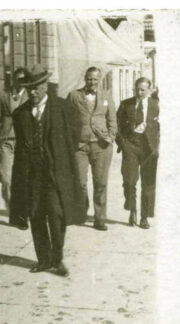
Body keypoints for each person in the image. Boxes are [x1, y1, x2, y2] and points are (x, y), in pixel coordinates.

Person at [9, 65, 85, 277]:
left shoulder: (62, 108)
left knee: (57, 214)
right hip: (31, 173)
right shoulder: (21, 113)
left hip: (55, 171)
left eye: (37, 87)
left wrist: (62, 155)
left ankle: (57, 259)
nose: (33, 92)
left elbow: (75, 133)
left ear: (45, 86)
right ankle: (43, 260)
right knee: (35, 215)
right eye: (29, 88)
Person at [67, 66, 117, 231]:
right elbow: (66, 118)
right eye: (90, 79)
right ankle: (82, 212)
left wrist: (111, 136)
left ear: (99, 80)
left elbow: (112, 119)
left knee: (100, 182)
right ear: (85, 79)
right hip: (79, 145)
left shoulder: (106, 95)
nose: (92, 82)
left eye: (95, 79)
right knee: (80, 182)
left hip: (101, 145)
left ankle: (100, 218)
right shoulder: (74, 95)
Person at [116, 77, 160, 228]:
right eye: (137, 89)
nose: (139, 92)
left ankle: (144, 217)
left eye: (143, 90)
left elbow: (165, 126)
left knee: (148, 184)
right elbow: (117, 125)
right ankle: (132, 210)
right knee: (129, 181)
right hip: (131, 145)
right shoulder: (126, 104)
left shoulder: (157, 105)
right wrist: (122, 142)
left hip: (149, 148)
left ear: (149, 90)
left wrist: (157, 146)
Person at [0, 67, 29, 212]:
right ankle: (12, 207)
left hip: (25, 141)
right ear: (13, 80)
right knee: (5, 177)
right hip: (7, 141)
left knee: (24, 177)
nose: (21, 82)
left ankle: (22, 209)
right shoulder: (4, 96)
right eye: (18, 79)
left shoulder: (30, 95)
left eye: (24, 79)